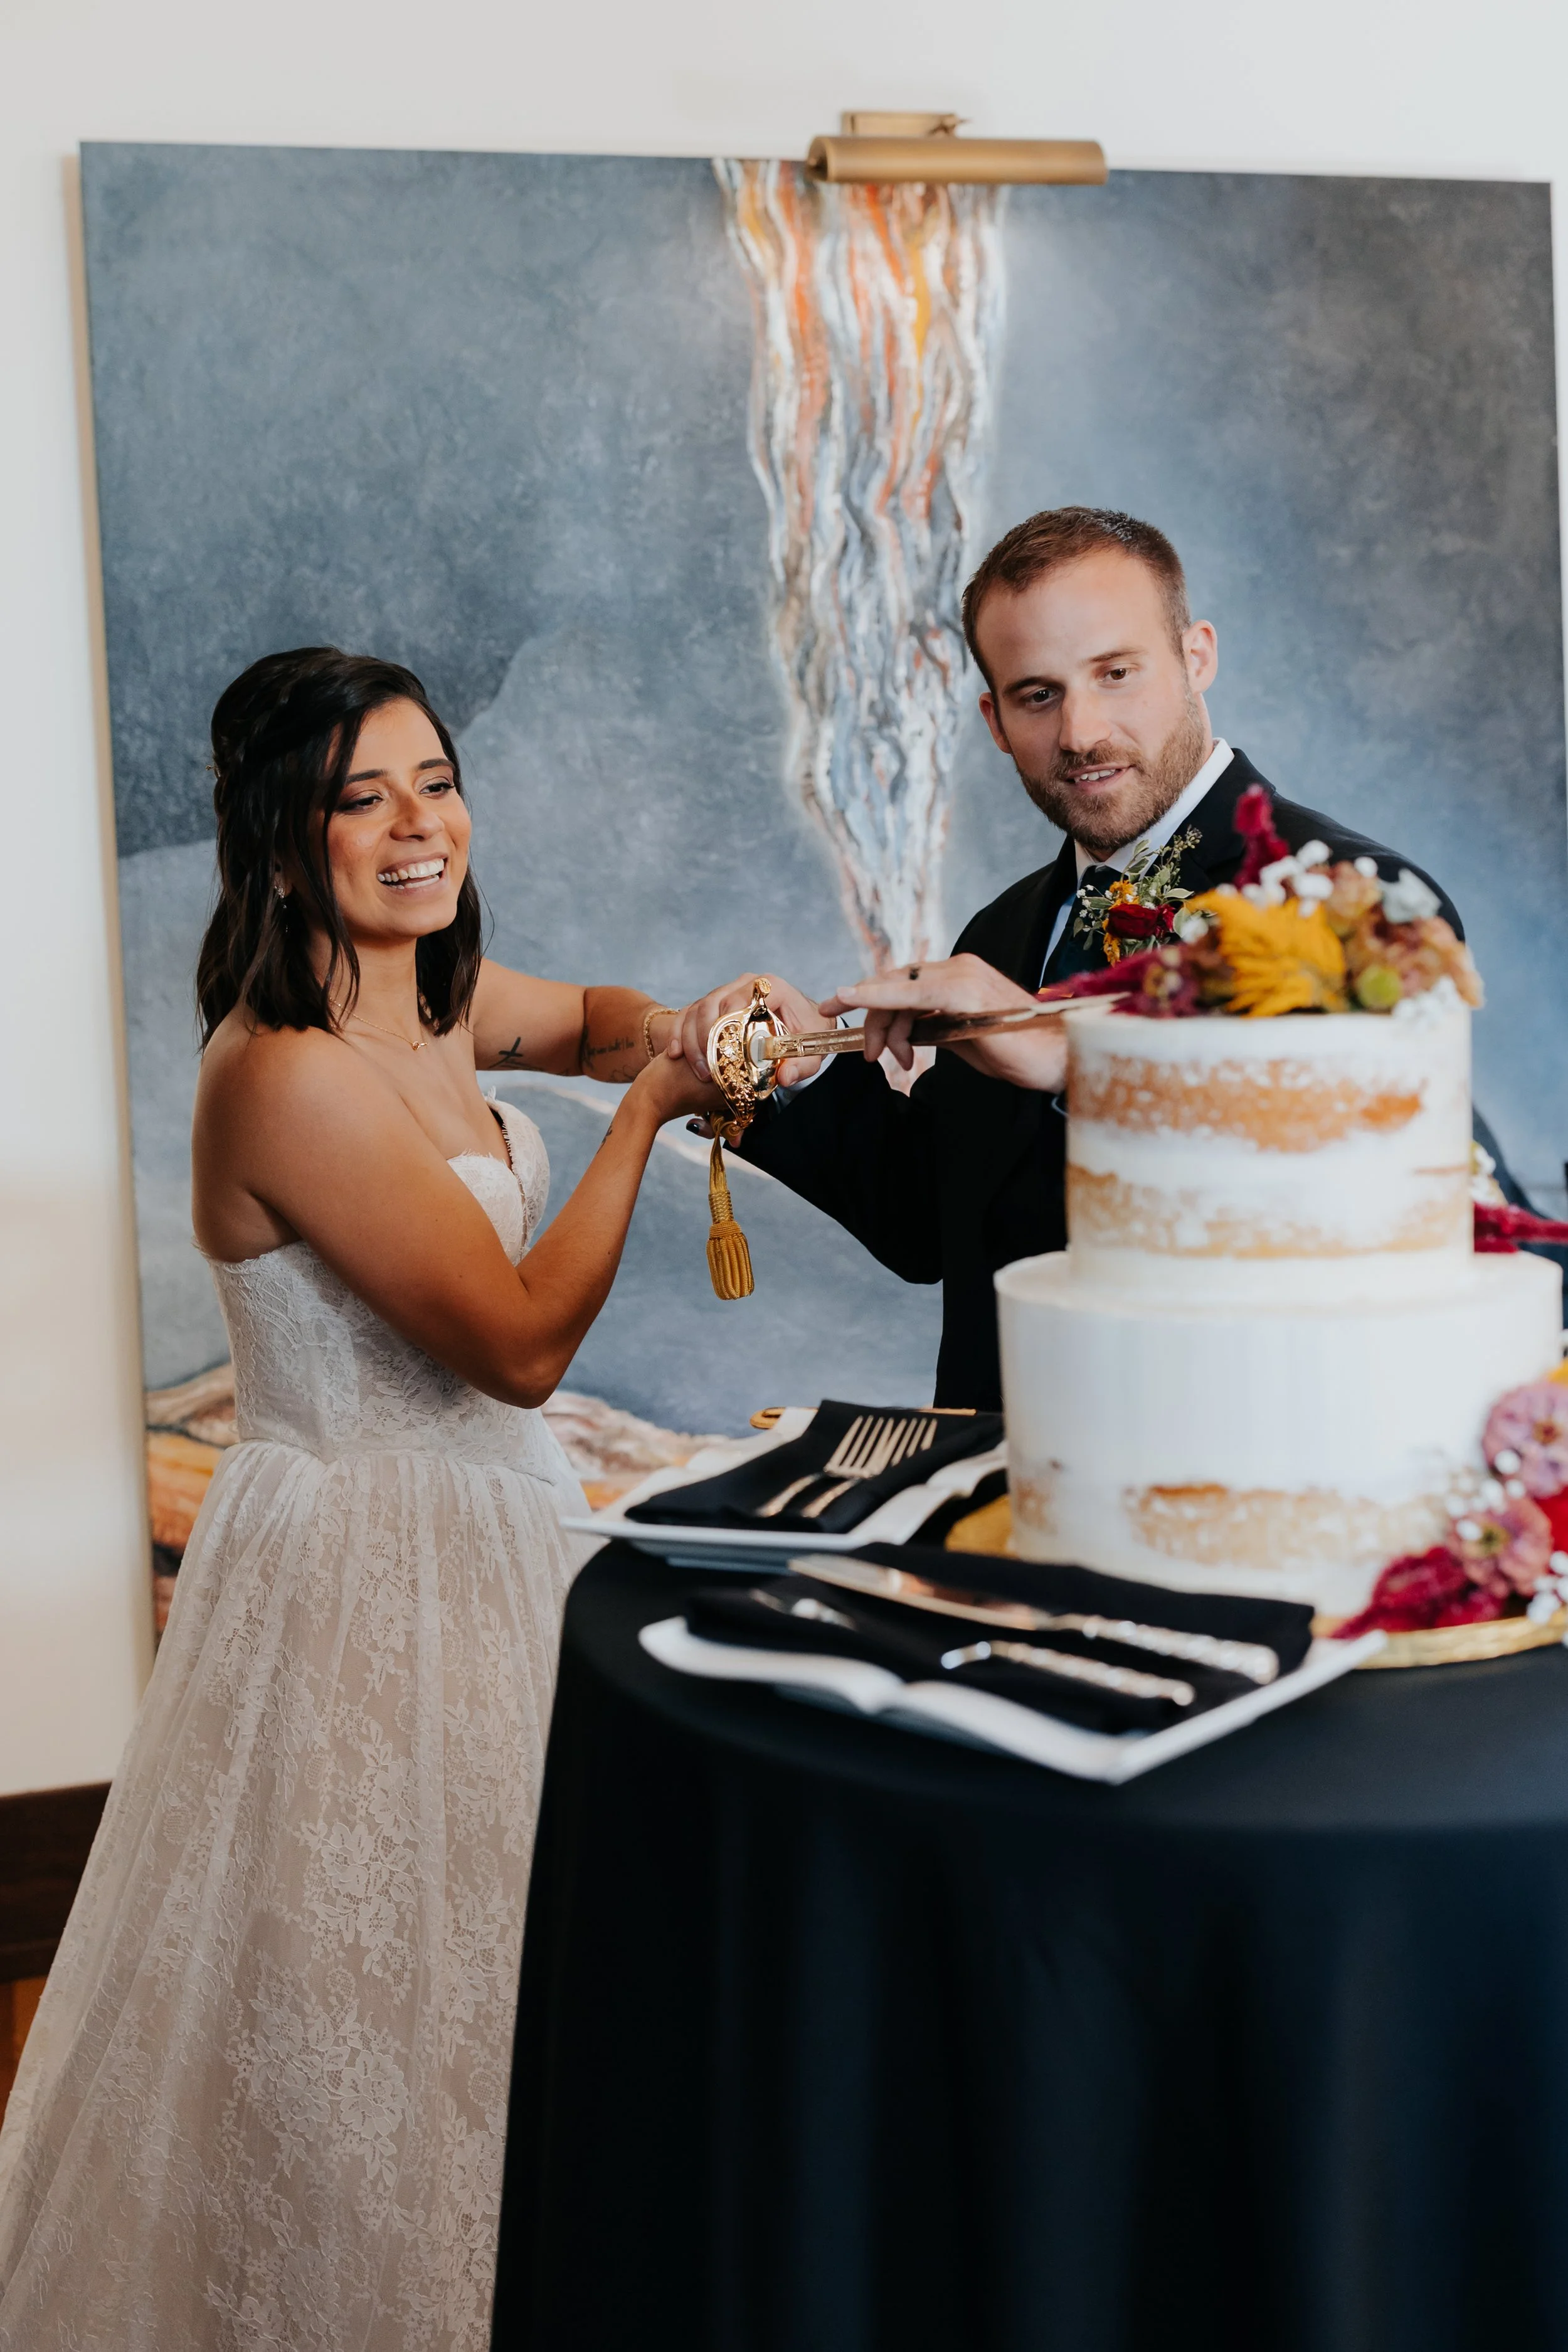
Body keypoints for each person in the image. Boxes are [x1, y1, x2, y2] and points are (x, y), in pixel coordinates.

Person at [0, 649, 737, 2351]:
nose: (420, 823)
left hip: (499, 1541)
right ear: (276, 846)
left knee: (524, 1977)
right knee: (372, 2002)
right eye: (361, 795)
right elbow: (522, 1344)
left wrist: (692, 1022)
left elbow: (580, 1014)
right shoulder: (285, 1072)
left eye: (436, 778)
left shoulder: (433, 1002)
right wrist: (649, 1109)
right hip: (358, 1569)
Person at [679, 506, 1465, 1409]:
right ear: (995, 719)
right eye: (1038, 694)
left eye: (1116, 673)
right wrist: (797, 1065)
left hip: (1219, 1485)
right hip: (992, 1501)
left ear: (1196, 656)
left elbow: (1360, 1192)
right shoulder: (1000, 931)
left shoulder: (1354, 901)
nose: (1082, 731)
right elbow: (935, 1225)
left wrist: (1079, 1060)